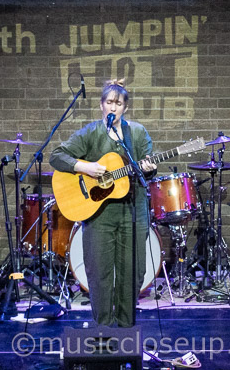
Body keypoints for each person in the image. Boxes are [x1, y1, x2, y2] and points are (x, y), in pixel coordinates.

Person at [50, 79, 157, 327]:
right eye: (109, 102)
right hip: (99, 215)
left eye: (118, 103)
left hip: (134, 213)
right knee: (100, 275)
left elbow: (147, 170)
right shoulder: (90, 132)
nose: (113, 107)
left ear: (125, 108)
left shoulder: (137, 133)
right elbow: (57, 156)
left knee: (133, 273)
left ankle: (126, 329)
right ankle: (103, 331)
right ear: (101, 105)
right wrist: (85, 166)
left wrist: (150, 168)